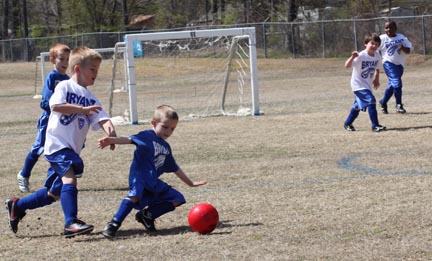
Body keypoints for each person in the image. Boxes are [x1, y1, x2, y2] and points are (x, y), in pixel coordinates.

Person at [6, 46, 117, 238]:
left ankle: (18, 206)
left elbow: (102, 117)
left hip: (70, 149)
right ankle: (70, 223)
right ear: (77, 68)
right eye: (92, 69)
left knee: (54, 193)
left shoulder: (90, 97)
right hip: (57, 145)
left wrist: (111, 133)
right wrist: (81, 110)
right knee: (70, 179)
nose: (96, 74)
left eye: (97, 70)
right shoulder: (64, 86)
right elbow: (55, 105)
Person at [98, 104, 207, 240]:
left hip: (153, 181)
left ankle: (147, 215)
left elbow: (175, 168)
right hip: (140, 177)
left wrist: (190, 183)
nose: (168, 131)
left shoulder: (165, 147)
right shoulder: (146, 136)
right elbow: (129, 139)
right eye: (165, 127)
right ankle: (113, 224)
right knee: (134, 196)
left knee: (177, 199)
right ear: (153, 123)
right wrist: (111, 140)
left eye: (172, 129)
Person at [17, 43, 71, 193]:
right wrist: (58, 108)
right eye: (62, 59)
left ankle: (54, 180)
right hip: (48, 119)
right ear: (53, 59)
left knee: (58, 149)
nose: (65, 63)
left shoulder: (67, 79)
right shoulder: (52, 77)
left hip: (60, 122)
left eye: (67, 59)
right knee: (39, 148)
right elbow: (45, 102)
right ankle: (24, 174)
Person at [343, 33, 386, 133]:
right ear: (366, 44)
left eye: (377, 44)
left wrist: (376, 79)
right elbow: (347, 65)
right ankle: (375, 125)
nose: (374, 46)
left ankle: (348, 123)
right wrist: (352, 57)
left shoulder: (376, 55)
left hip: (366, 85)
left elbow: (378, 67)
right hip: (357, 85)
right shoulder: (361, 55)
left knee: (357, 106)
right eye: (372, 43)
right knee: (371, 100)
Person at [378, 20, 412, 114]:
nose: (388, 29)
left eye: (391, 27)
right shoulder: (382, 38)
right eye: (386, 28)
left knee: (392, 86)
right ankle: (399, 105)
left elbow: (408, 51)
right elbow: (374, 49)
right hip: (388, 63)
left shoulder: (401, 37)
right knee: (397, 83)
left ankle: (383, 102)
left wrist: (402, 48)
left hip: (399, 65)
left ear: (395, 29)